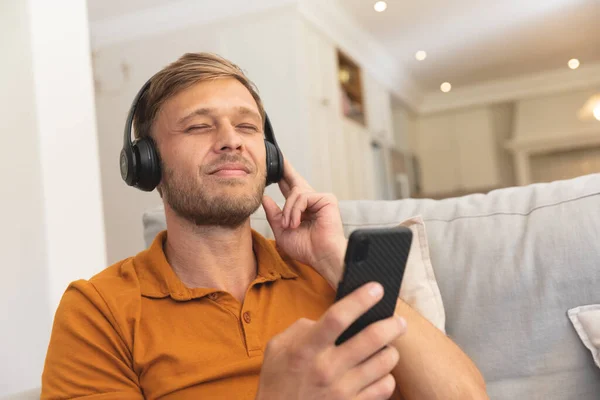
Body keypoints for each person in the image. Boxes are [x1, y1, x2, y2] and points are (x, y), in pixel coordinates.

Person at [41, 52, 487, 400]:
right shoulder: (98, 310)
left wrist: (336, 261)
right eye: (198, 126)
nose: (231, 139)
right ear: (146, 164)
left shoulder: (331, 273)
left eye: (247, 125)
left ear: (270, 158)